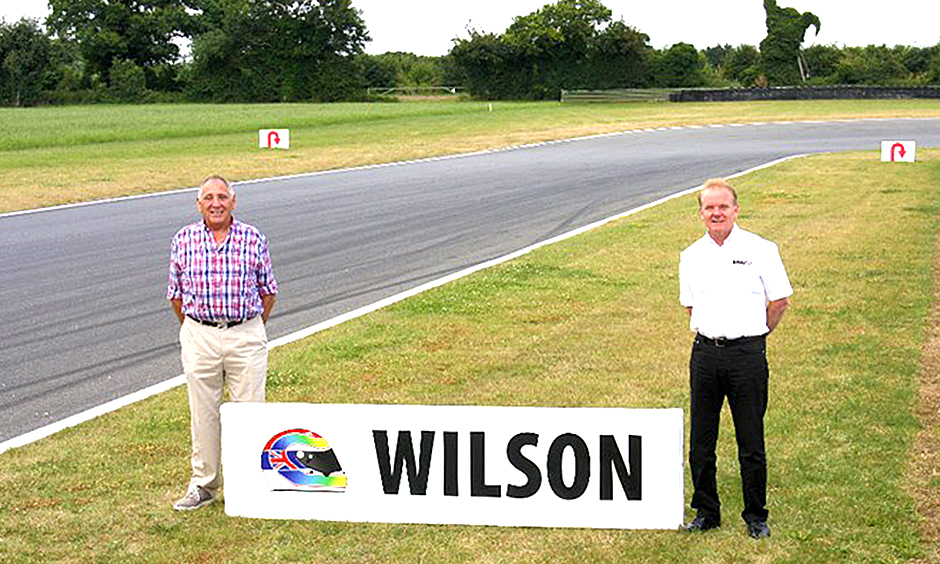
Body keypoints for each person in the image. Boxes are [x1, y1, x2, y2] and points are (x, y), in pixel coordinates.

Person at [678, 179, 792, 539]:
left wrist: (756, 333)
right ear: (700, 214)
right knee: (701, 441)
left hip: (747, 355)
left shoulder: (761, 249)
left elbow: (780, 301)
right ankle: (706, 512)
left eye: (723, 206)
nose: (716, 213)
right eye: (709, 208)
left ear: (736, 209)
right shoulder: (691, 255)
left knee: (751, 441)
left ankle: (756, 516)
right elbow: (691, 305)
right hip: (705, 355)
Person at [167, 175, 278, 511]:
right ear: (199, 204)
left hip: (245, 333)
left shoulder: (252, 237)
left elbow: (268, 290)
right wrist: (198, 329)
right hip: (200, 334)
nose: (216, 203)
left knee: (249, 412)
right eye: (208, 198)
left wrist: (247, 326)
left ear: (233, 201)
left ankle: (249, 485)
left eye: (222, 197)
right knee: (204, 414)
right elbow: (175, 295)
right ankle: (204, 484)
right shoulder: (183, 239)